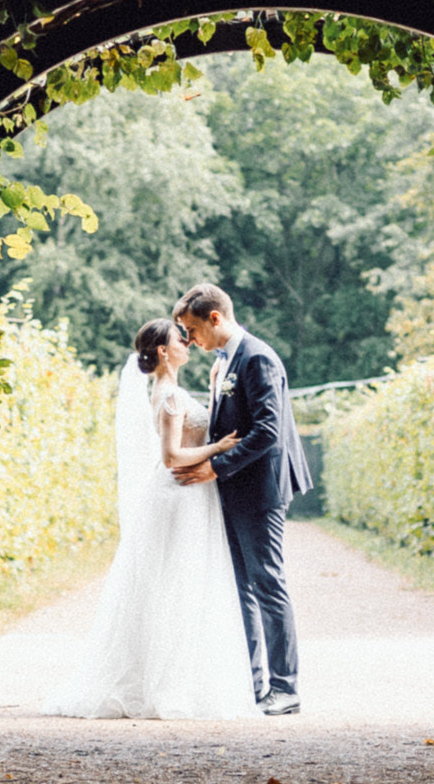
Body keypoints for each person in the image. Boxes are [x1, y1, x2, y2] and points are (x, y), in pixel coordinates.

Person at [42, 314, 262, 722]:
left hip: (187, 495)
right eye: (182, 339)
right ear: (164, 351)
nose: (188, 343)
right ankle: (169, 682)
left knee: (176, 583)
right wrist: (219, 449)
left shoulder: (170, 391)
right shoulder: (170, 396)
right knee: (178, 583)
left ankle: (170, 675)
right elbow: (171, 457)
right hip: (179, 495)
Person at [172, 281, 311, 716]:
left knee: (268, 583)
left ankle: (285, 687)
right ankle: (253, 685)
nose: (189, 341)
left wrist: (215, 467)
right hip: (232, 489)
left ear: (215, 318)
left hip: (259, 488)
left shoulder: (257, 358)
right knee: (241, 589)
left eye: (192, 330)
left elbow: (268, 433)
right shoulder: (225, 362)